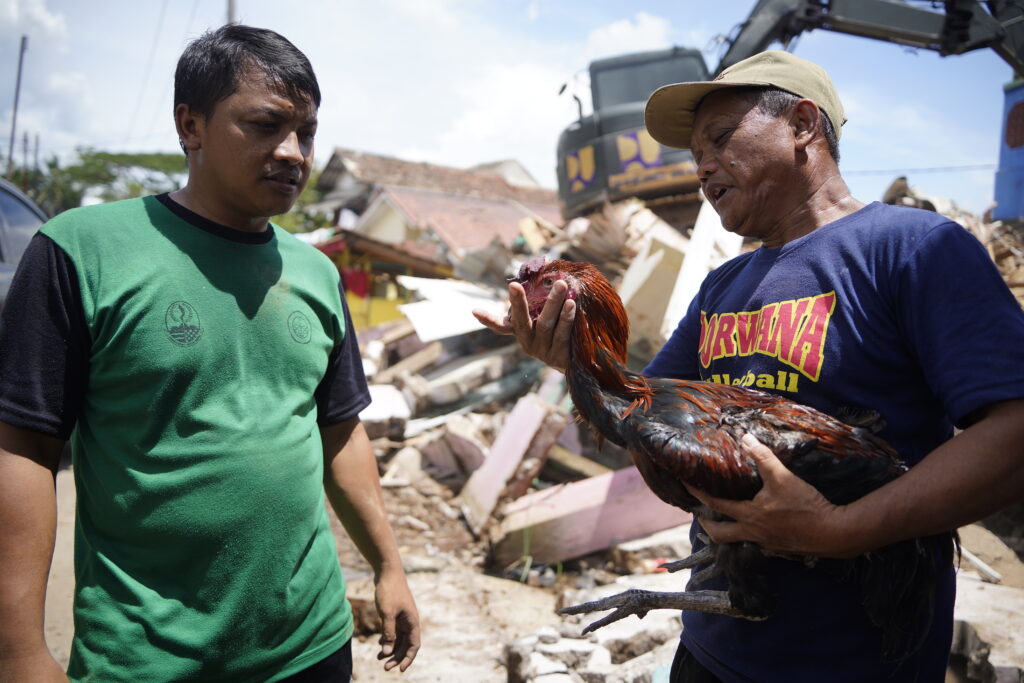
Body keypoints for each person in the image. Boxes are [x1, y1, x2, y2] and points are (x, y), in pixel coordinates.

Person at [476, 50, 1024, 681]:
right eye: (694, 155)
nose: (702, 165)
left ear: (801, 125)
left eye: (720, 138)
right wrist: (577, 361)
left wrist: (838, 529)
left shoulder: (914, 250)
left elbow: (1012, 437)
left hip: (854, 661)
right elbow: (651, 415)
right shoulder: (723, 284)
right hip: (714, 651)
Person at [0, 24, 419, 682]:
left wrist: (389, 566)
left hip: (312, 645)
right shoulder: (80, 251)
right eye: (265, 124)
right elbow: (23, 450)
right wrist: (18, 650)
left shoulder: (315, 274)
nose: (293, 152)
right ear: (189, 126)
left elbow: (339, 429)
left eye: (306, 131)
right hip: (149, 658)